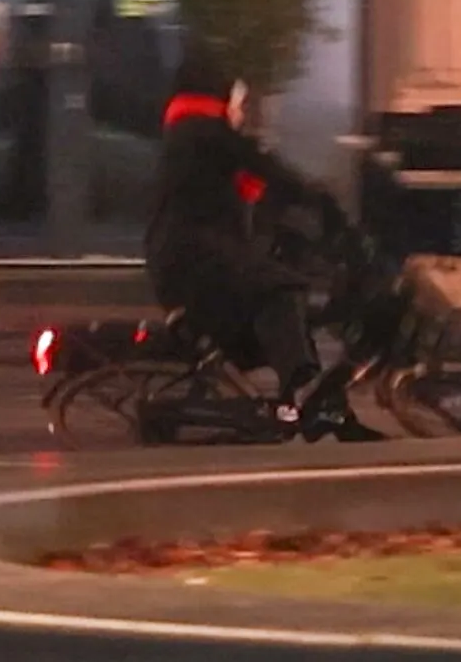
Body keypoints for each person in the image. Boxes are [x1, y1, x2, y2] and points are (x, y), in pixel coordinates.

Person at [143, 41, 382, 442]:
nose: (239, 107)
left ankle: (316, 399)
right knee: (280, 289)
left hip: (199, 256)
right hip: (193, 262)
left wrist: (313, 228)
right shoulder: (202, 133)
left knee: (287, 281)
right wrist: (320, 198)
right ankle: (304, 387)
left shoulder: (196, 136)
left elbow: (261, 191)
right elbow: (267, 169)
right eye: (235, 97)